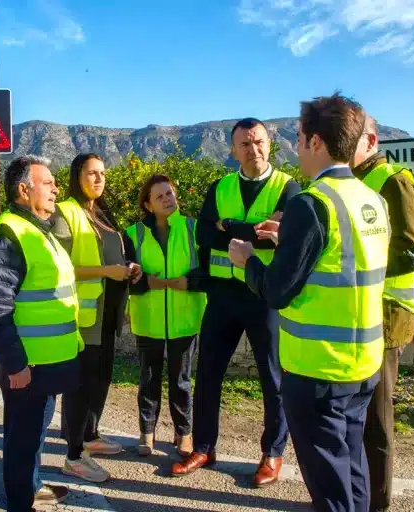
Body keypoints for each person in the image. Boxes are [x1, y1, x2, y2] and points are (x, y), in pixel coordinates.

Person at [229, 92, 391, 512]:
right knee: (352, 466)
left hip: (317, 370)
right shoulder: (372, 199)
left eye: (299, 138)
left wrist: (247, 261)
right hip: (363, 364)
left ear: (316, 142)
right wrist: (292, 242)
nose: (295, 147)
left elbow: (278, 290)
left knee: (328, 486)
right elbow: (343, 260)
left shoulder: (310, 203)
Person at [171, 118, 299, 488]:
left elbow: (285, 238)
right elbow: (205, 234)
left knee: (272, 378)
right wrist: (254, 230)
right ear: (232, 150)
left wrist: (231, 227)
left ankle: (272, 453)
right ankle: (204, 447)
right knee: (208, 373)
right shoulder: (222, 186)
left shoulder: (287, 188)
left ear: (270, 144)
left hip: (264, 295)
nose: (251, 149)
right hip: (223, 296)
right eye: (243, 144)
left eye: (257, 141)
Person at [0, 155, 81, 512]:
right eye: (48, 182)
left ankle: (32, 487)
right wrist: (14, 364)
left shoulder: (38, 230)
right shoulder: (8, 235)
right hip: (26, 363)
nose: (55, 188)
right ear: (23, 189)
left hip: (43, 361)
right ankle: (22, 501)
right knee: (24, 436)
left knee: (33, 432)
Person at [351, 115, 414, 512]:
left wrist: (354, 267)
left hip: (386, 315)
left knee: (377, 419)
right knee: (354, 416)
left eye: (351, 138)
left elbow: (413, 250)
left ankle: (377, 504)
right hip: (356, 314)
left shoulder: (393, 181)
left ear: (372, 140)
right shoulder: (351, 183)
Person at [52, 153, 140, 483]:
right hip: (85, 316)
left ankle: (90, 436)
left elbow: (115, 255)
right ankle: (73, 456)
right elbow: (58, 266)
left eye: (103, 173)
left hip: (108, 314)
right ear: (77, 176)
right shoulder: (66, 212)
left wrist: (129, 269)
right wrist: (108, 271)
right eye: (92, 173)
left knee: (101, 381)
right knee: (81, 386)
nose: (99, 179)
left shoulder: (101, 214)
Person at [123, 175, 207, 457]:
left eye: (169, 193)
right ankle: (147, 433)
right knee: (148, 379)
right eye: (159, 197)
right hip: (148, 318)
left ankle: (184, 433)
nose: (167, 199)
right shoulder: (132, 234)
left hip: (185, 317)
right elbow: (126, 273)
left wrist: (190, 282)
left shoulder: (193, 228)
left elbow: (207, 269)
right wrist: (146, 280)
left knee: (181, 380)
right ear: (148, 204)